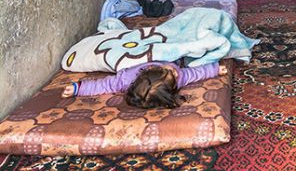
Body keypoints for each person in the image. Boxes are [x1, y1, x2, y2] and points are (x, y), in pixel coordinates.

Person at [63, 61, 228, 109]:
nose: (176, 72)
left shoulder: (123, 79)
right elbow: (195, 73)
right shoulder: (179, 77)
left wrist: (78, 88)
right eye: (172, 75)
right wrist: (214, 69)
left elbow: (100, 85)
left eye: (171, 72)